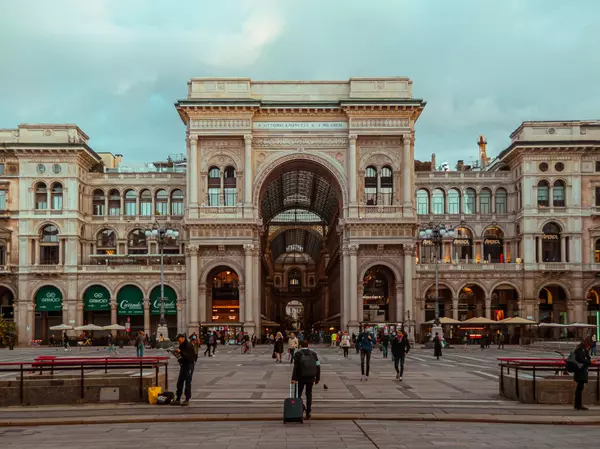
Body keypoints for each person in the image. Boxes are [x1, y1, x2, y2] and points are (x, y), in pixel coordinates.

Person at [291, 340, 321, 420]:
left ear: (300, 346)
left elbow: (296, 367)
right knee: (309, 394)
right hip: (311, 377)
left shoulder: (298, 354)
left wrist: (293, 378)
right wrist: (317, 378)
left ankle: (302, 407)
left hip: (300, 378)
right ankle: (308, 412)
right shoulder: (313, 354)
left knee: (297, 395)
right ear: (308, 345)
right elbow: (318, 366)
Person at [171, 334, 196, 406]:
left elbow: (190, 357)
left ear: (183, 338)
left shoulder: (189, 345)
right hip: (183, 365)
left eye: (179, 340)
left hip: (189, 365)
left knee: (188, 382)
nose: (179, 342)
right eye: (178, 341)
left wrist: (180, 352)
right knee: (180, 381)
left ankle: (187, 399)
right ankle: (178, 398)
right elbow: (182, 356)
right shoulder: (181, 345)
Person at [572, 339, 592, 410]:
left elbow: (587, 358)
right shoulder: (580, 350)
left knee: (580, 388)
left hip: (581, 371)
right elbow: (582, 360)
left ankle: (578, 404)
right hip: (580, 371)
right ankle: (578, 405)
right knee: (579, 389)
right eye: (589, 346)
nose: (589, 348)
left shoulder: (582, 350)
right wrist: (589, 362)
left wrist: (589, 359)